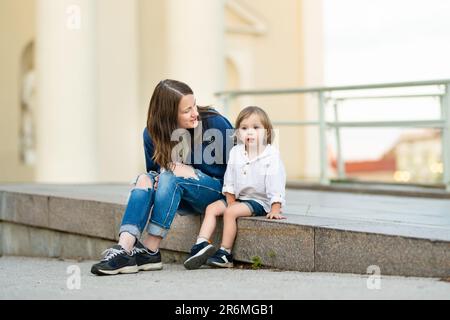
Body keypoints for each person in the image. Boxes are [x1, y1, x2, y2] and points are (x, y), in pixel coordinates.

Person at [91, 79, 233, 275]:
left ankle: (150, 248)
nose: (195, 114)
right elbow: (157, 178)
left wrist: (188, 173)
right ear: (168, 115)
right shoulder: (151, 134)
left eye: (194, 105)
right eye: (186, 111)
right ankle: (124, 248)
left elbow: (242, 167)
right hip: (179, 196)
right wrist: (161, 176)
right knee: (145, 179)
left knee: (171, 173)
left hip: (216, 193)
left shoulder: (215, 123)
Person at [183, 106, 286, 270]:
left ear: (266, 132)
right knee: (212, 208)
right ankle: (200, 245)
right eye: (244, 128)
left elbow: (276, 182)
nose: (249, 132)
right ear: (237, 133)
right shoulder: (236, 152)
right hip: (238, 198)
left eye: (256, 128)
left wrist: (275, 208)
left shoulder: (271, 154)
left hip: (259, 200)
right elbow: (229, 178)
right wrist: (230, 200)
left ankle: (225, 253)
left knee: (230, 212)